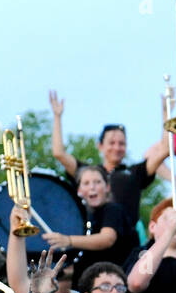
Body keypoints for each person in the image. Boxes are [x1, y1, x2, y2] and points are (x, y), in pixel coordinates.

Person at [49, 92, 167, 226]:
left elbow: (164, 150)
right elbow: (59, 153)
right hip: (93, 237)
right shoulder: (89, 173)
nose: (116, 148)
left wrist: (166, 113)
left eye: (121, 143)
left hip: (127, 240)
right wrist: (57, 116)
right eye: (111, 143)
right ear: (100, 146)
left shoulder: (135, 172)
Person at [43, 165, 136, 279]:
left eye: (97, 182)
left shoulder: (112, 210)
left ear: (107, 187)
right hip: (85, 285)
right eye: (86, 183)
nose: (92, 187)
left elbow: (107, 239)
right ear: (79, 191)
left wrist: (68, 240)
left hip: (111, 282)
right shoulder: (82, 217)